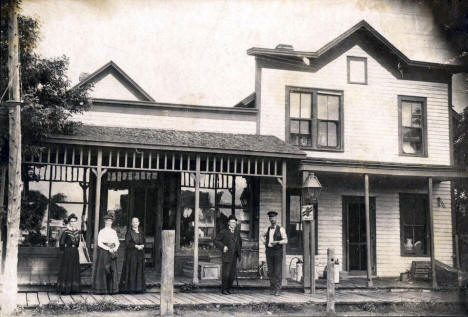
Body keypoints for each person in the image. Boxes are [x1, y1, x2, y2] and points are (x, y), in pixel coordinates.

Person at [214, 214, 242, 295]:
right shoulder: (224, 232)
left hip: (234, 256)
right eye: (232, 222)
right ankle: (224, 289)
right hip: (227, 255)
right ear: (228, 223)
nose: (233, 224)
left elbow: (240, 242)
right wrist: (223, 247)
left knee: (232, 273)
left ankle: (229, 288)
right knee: (226, 273)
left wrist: (238, 251)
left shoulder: (237, 232)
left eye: (234, 223)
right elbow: (216, 240)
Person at [262, 211, 288, 296]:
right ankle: (272, 288)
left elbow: (285, 240)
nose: (272, 219)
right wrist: (264, 243)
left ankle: (278, 289)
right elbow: (262, 236)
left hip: (277, 252)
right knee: (270, 271)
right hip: (269, 252)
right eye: (270, 218)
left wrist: (277, 242)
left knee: (277, 271)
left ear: (276, 219)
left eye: (273, 218)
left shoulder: (281, 229)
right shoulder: (267, 229)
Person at [93, 213, 120, 294]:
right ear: (105, 222)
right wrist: (108, 249)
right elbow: (99, 243)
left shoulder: (114, 232)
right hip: (104, 252)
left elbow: (117, 242)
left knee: (112, 270)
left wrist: (115, 248)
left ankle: (112, 290)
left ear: (112, 222)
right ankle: (102, 289)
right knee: (103, 270)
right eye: (107, 221)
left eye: (110, 221)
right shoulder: (102, 231)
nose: (109, 222)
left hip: (112, 252)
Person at [119, 217, 146, 293]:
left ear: (139, 223)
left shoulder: (141, 232)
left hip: (140, 254)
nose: (135, 223)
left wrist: (143, 245)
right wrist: (135, 246)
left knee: (139, 270)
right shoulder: (129, 232)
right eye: (133, 222)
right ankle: (132, 289)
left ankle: (139, 288)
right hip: (132, 255)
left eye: (136, 222)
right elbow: (127, 243)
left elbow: (144, 241)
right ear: (131, 224)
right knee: (133, 270)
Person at [56, 213, 81, 294]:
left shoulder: (77, 231)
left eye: (74, 221)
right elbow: (61, 243)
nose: (73, 222)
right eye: (71, 221)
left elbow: (78, 243)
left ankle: (73, 289)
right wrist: (65, 250)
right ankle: (65, 289)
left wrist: (75, 246)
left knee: (74, 269)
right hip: (67, 252)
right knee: (67, 269)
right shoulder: (65, 231)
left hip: (75, 252)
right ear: (69, 222)